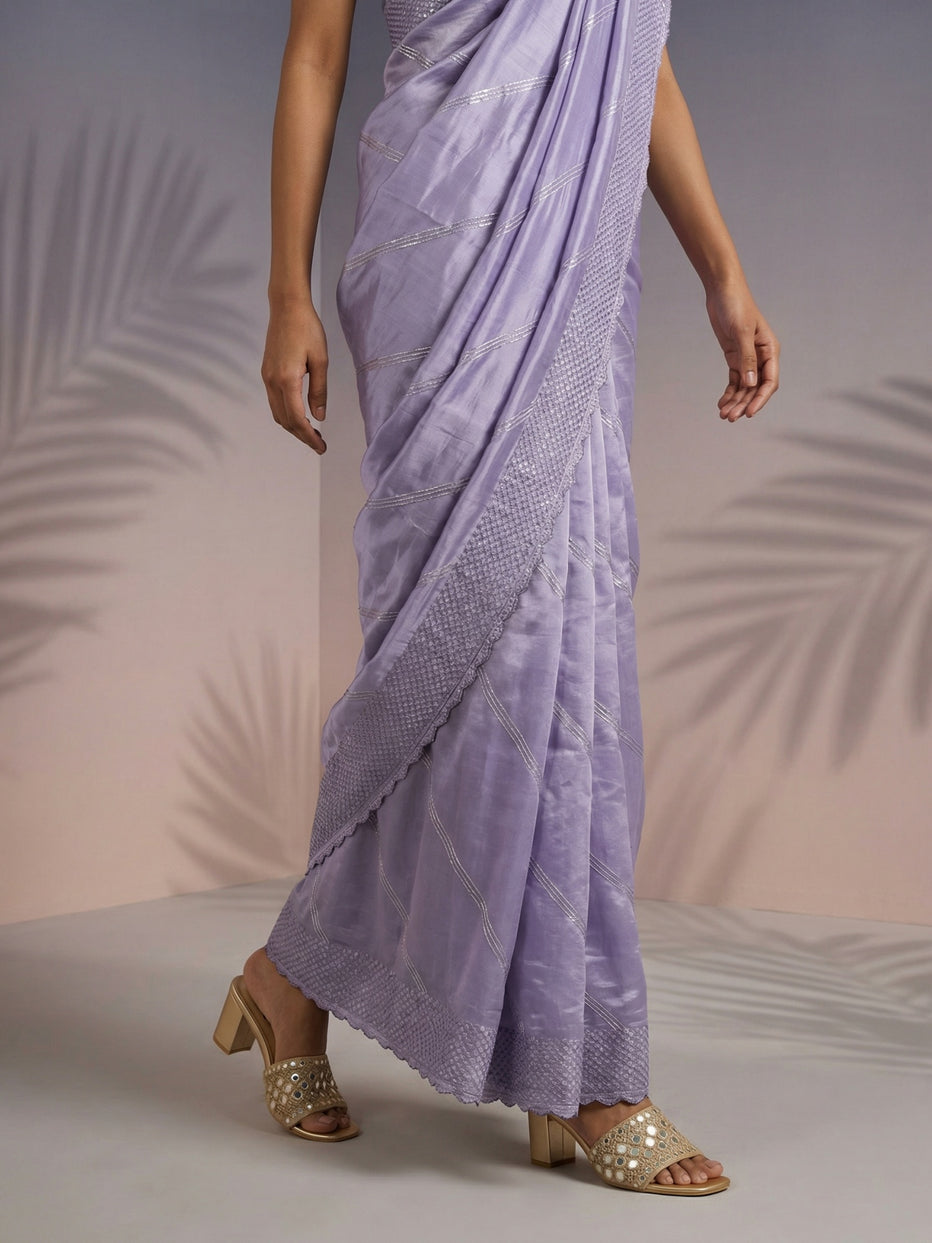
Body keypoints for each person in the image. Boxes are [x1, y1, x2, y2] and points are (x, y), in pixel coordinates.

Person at [212, 0, 779, 1195]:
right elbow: (314, 51)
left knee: (567, 627)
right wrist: (284, 292)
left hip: (569, 266)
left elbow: (633, 59)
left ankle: (539, 1050)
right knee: (451, 639)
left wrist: (721, 268)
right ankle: (531, 1059)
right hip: (435, 249)